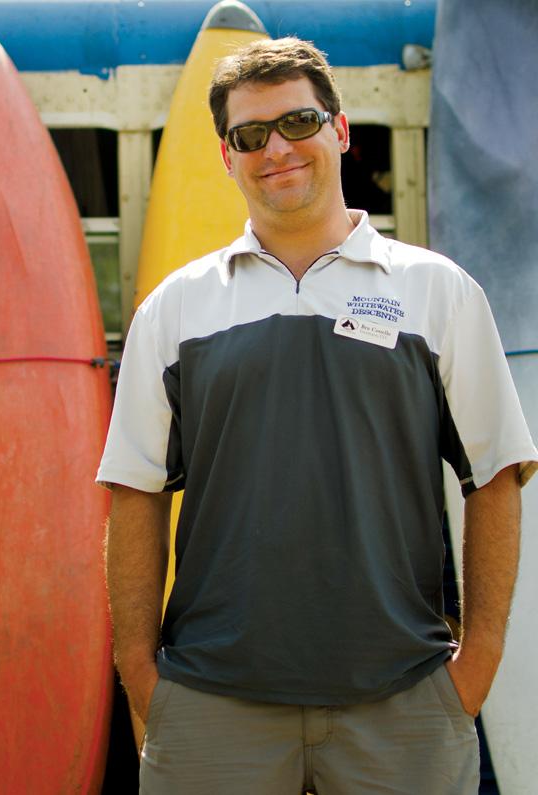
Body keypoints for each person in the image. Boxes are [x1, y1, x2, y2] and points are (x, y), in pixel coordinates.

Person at [99, 36, 536, 794]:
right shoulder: (174, 309)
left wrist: (479, 663)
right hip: (212, 704)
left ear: (340, 129)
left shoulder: (440, 293)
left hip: (403, 702)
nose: (278, 149)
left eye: (298, 122)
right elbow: (135, 493)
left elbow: (494, 475)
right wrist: (142, 676)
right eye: (251, 135)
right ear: (227, 157)